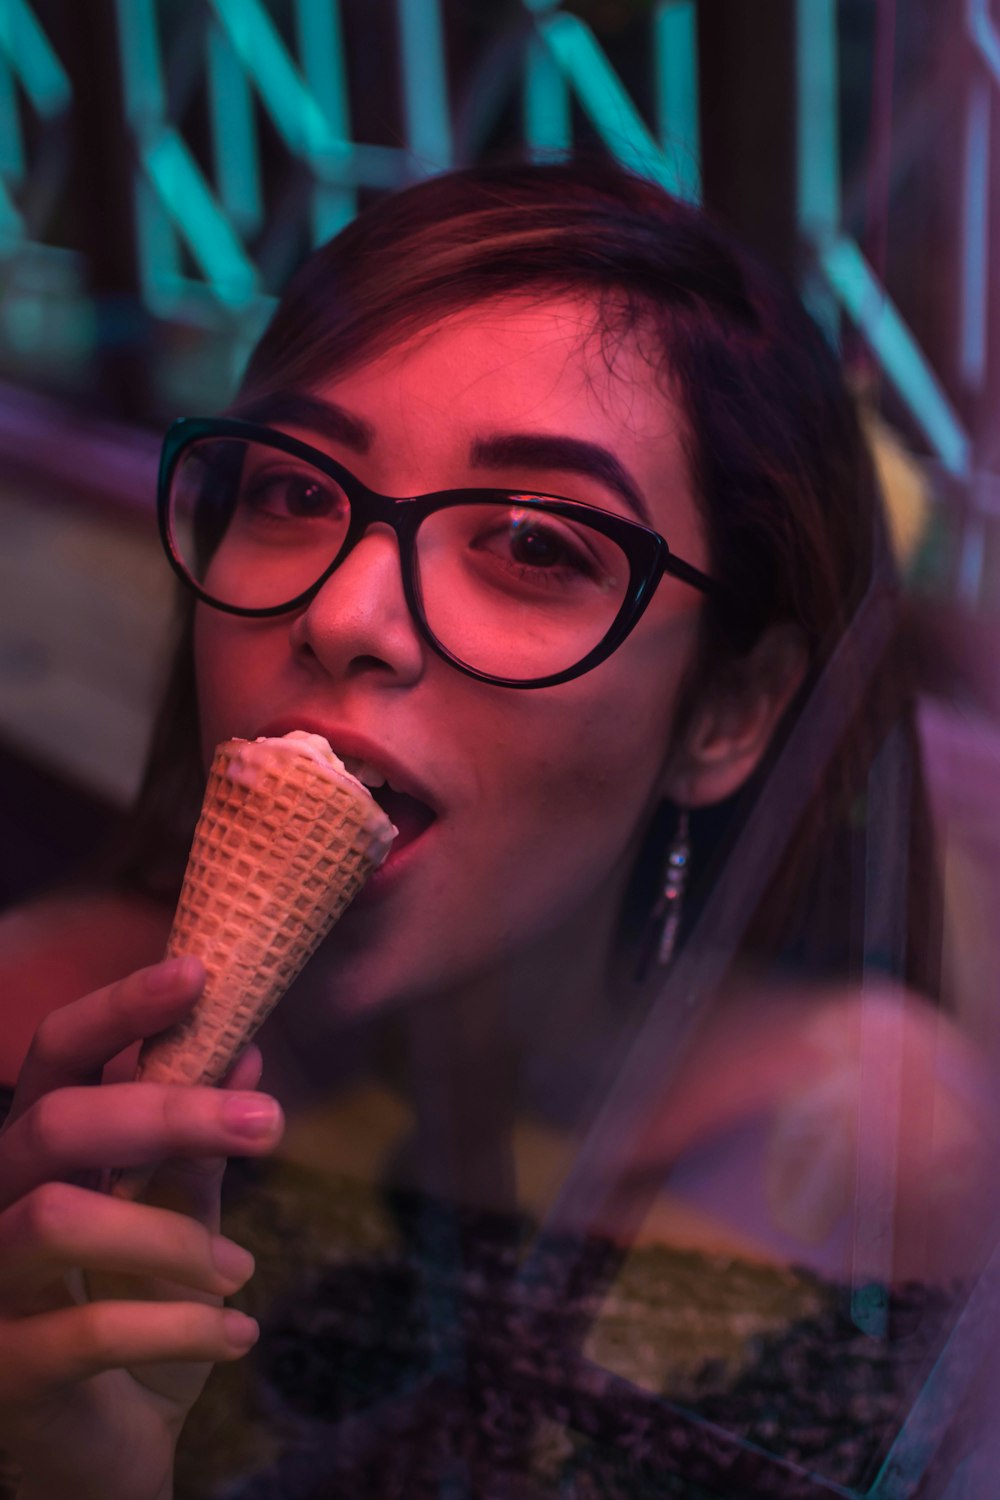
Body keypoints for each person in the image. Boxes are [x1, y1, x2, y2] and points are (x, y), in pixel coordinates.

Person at [0, 158, 993, 1500]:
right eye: (294, 490)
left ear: (731, 711)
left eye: (533, 541)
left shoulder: (862, 1143)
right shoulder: (37, 1039)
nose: (343, 616)